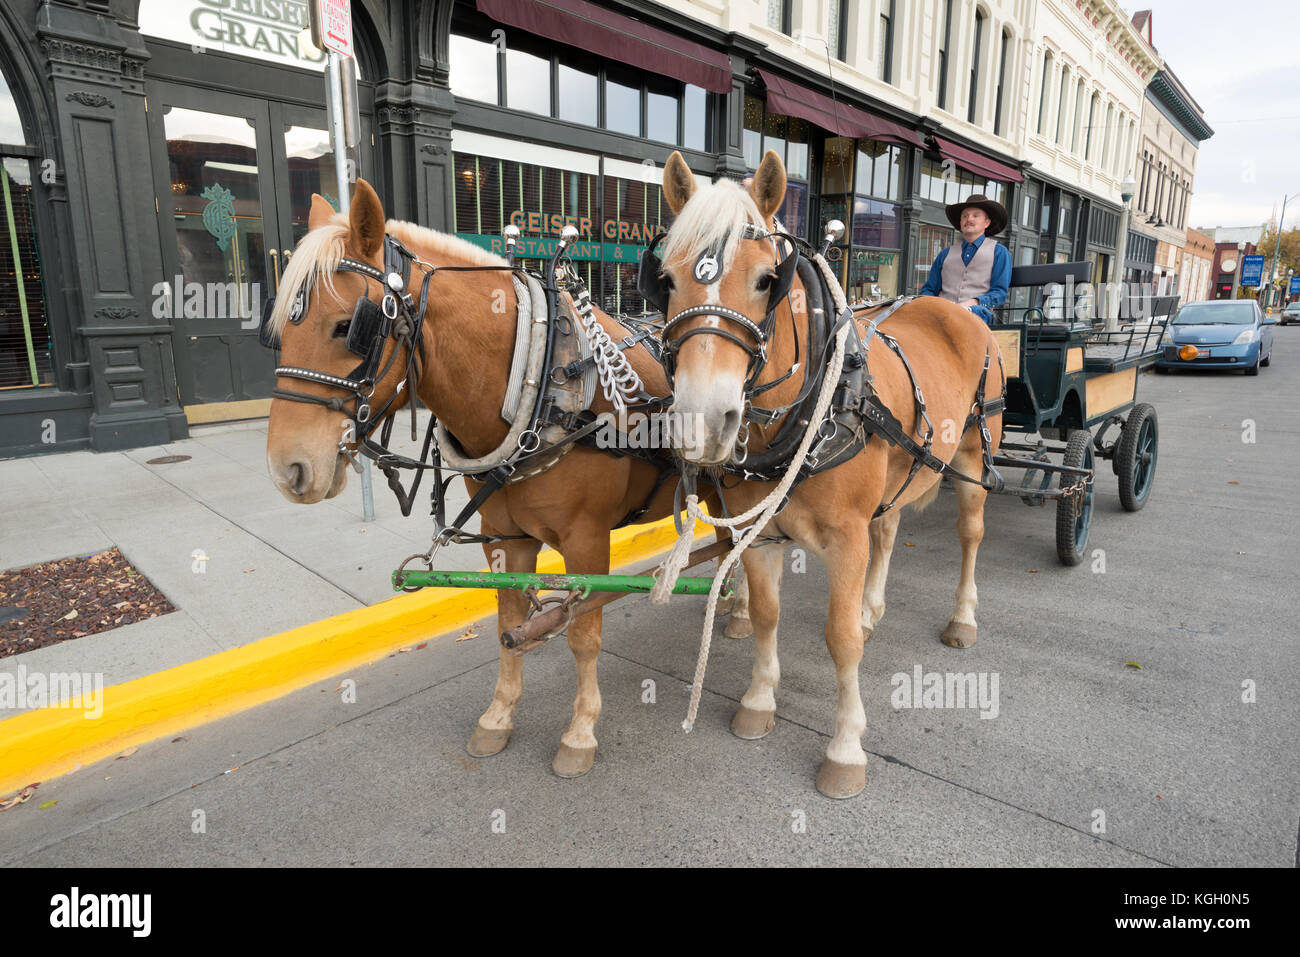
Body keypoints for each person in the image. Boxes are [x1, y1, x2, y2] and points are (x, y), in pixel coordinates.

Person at [919, 193, 1011, 324]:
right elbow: (929, 289)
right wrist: (930, 304)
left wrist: (974, 302)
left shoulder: (999, 253)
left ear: (987, 222)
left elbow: (999, 293)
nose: (969, 219)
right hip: (943, 313)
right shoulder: (945, 254)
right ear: (961, 222)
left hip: (979, 317)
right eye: (965, 216)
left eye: (975, 215)